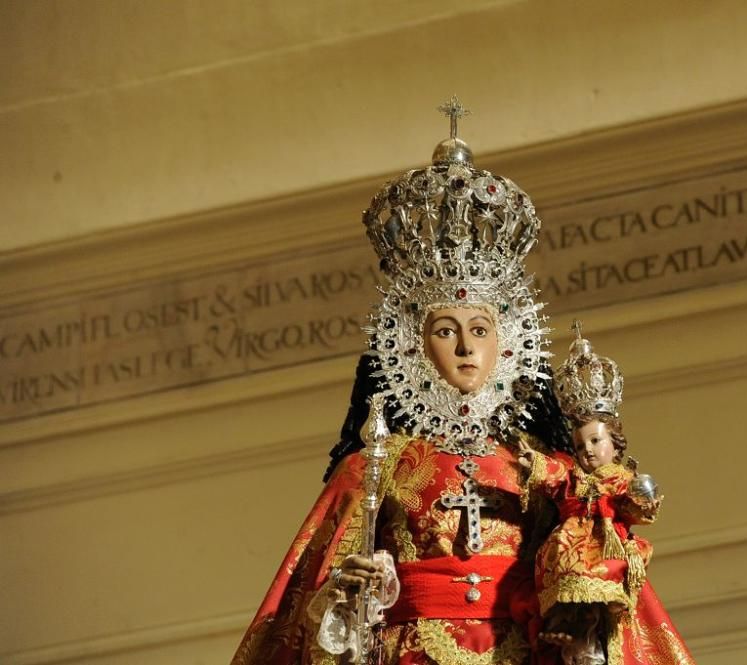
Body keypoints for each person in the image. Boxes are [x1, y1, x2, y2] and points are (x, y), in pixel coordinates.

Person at [231, 100, 696, 665]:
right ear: (412, 346)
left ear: (508, 344)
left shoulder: (542, 470)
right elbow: (308, 616)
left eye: (480, 329)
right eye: (445, 330)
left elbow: (599, 583)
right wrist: (350, 595)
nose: (466, 347)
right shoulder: (375, 465)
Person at [519, 326, 662, 665]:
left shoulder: (621, 477)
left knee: (595, 577)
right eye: (580, 446)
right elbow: (556, 478)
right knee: (557, 563)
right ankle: (562, 624)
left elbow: (636, 508)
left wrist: (644, 498)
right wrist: (534, 462)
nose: (588, 452)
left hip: (607, 543)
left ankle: (587, 637)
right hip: (571, 539)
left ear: (615, 443)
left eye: (596, 442)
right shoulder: (575, 476)